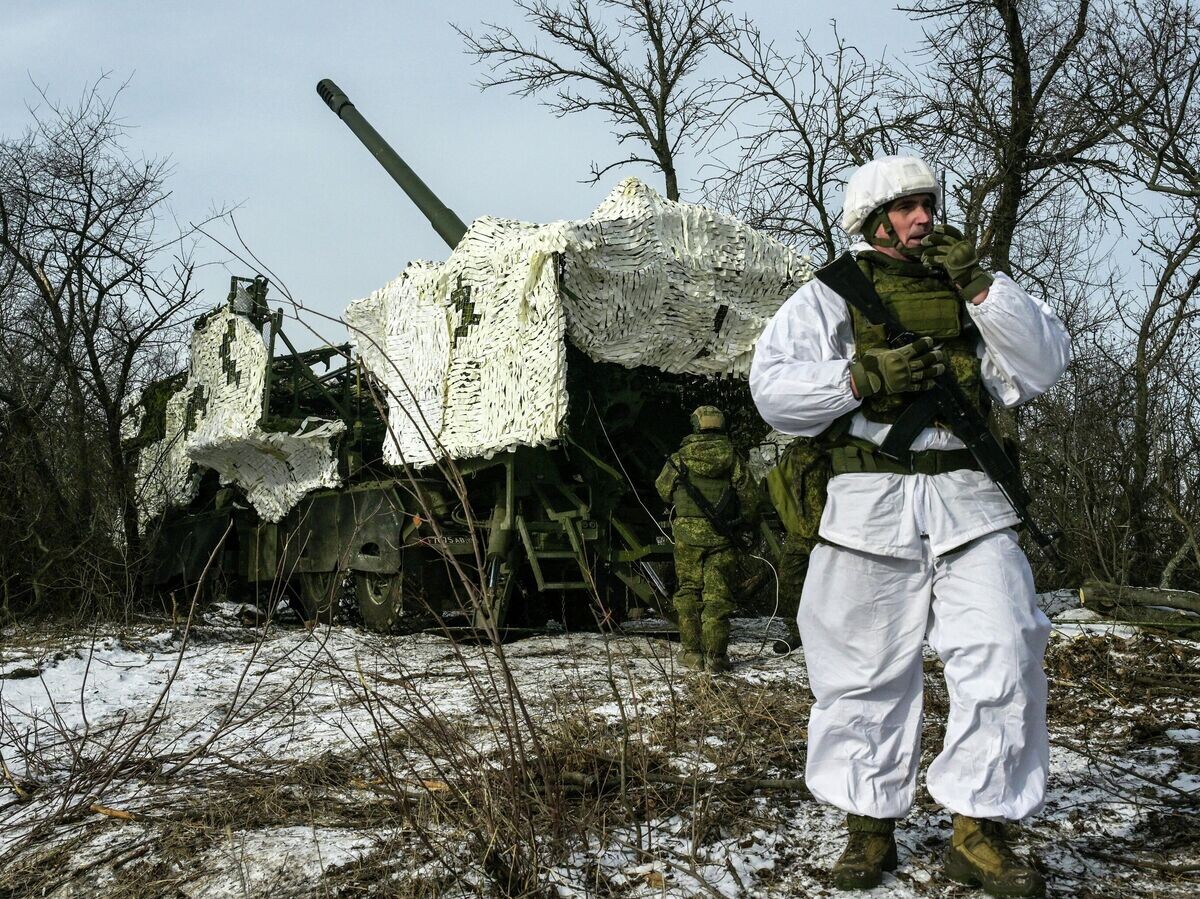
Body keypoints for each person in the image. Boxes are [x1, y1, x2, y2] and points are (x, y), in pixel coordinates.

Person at [749, 155, 1070, 897]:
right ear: (872, 219)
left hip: (968, 496)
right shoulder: (830, 294)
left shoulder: (974, 291)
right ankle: (868, 830)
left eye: (929, 203)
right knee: (860, 670)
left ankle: (980, 830)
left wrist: (985, 287)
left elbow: (1045, 364)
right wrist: (858, 379)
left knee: (1007, 646)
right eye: (908, 206)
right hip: (869, 501)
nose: (925, 216)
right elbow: (773, 391)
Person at [655, 405, 757, 674]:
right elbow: (750, 498)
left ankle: (691, 654)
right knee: (718, 596)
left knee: (688, 591)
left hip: (687, 536)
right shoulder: (733, 458)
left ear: (695, 426)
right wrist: (741, 521)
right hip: (722, 535)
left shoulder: (679, 459)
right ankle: (716, 657)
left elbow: (663, 490)